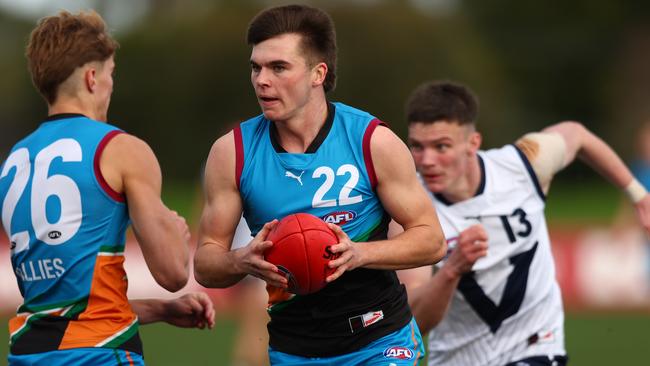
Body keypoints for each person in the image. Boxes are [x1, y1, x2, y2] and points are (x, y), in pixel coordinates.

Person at [194, 4, 446, 365]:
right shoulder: (231, 153)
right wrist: (240, 260)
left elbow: (431, 239)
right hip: (294, 348)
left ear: (317, 73)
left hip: (380, 338)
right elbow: (205, 263)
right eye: (256, 67)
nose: (262, 80)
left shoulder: (371, 141)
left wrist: (361, 254)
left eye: (279, 67)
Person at [0, 10, 214, 365]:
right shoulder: (121, 149)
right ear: (92, 77)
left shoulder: (14, 162)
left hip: (28, 355)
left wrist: (160, 310)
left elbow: (65, 308)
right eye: (111, 73)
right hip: (99, 355)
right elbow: (174, 273)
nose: (112, 85)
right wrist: (174, 233)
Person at [396, 80, 650, 366]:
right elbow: (414, 322)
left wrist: (639, 196)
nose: (427, 160)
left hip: (536, 347)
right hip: (457, 358)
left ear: (473, 143)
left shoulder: (522, 166)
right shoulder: (410, 210)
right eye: (417, 147)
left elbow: (578, 135)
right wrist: (452, 270)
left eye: (441, 146)